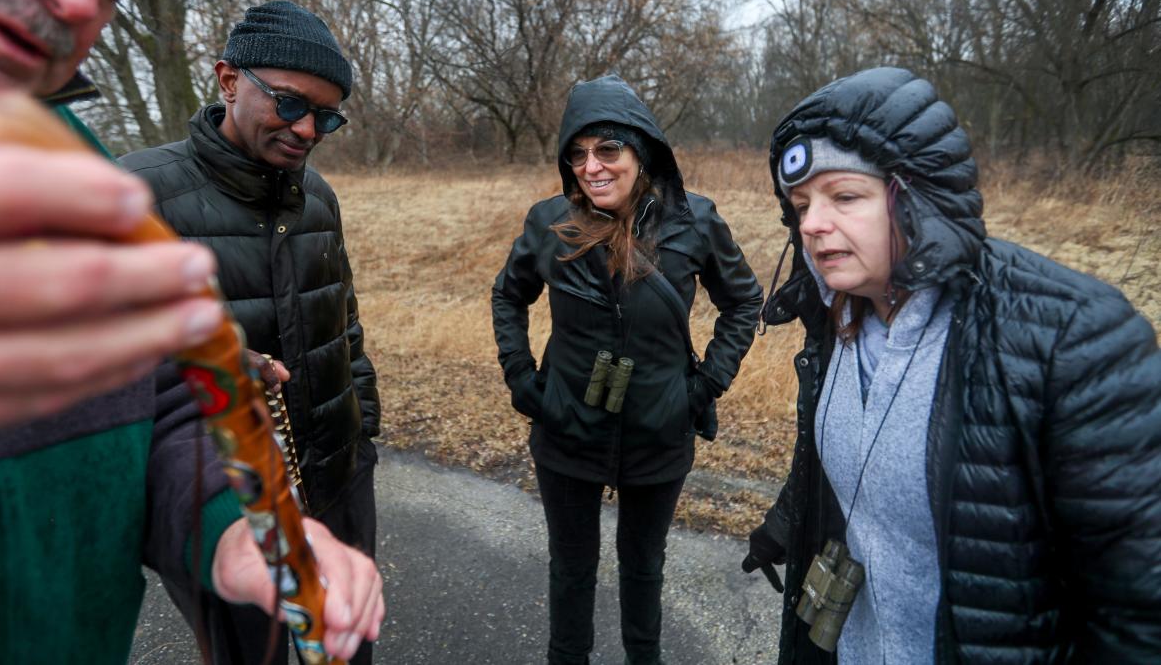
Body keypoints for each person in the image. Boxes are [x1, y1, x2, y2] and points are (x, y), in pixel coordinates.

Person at [0, 0, 382, 662]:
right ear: (227, 80)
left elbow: (157, 400)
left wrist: (237, 533)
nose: (73, 1)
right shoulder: (143, 188)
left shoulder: (72, 164)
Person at [740, 66, 1161, 663]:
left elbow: (1138, 612)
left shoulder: (1068, 337)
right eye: (801, 204)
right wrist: (788, 521)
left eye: (845, 196)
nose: (811, 224)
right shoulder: (836, 314)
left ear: (917, 197)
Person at [121, 0, 381, 665]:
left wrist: (363, 426)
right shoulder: (137, 197)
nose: (307, 130)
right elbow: (115, 373)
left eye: (326, 117)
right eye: (291, 103)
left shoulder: (317, 194)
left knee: (346, 644)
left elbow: (343, 320)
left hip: (338, 474)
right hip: (223, 498)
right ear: (229, 79)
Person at [492, 74, 763, 665]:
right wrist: (522, 379)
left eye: (608, 150)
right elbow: (508, 296)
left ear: (642, 153)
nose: (593, 166)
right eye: (579, 154)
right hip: (567, 428)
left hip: (658, 432)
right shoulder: (547, 222)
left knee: (644, 569)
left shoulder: (695, 221)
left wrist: (703, 385)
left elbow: (744, 300)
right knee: (571, 571)